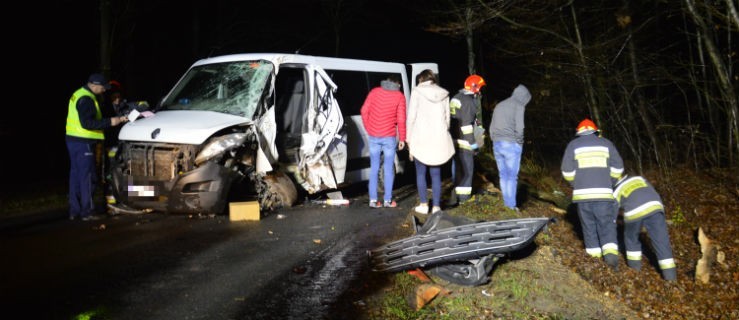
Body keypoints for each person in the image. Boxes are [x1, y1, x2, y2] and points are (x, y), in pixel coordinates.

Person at [561, 118, 624, 270]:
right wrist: (610, 181)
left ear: (579, 132)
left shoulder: (573, 145)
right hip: (603, 195)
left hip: (582, 197)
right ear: (595, 131)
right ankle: (611, 262)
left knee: (589, 228)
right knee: (606, 226)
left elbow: (567, 171)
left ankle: (594, 263)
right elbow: (618, 167)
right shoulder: (607, 144)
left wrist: (575, 184)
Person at [66, 73, 128, 221]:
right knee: (88, 178)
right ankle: (87, 211)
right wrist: (111, 121)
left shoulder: (80, 94)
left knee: (76, 177)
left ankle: (75, 211)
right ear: (94, 85)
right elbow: (87, 123)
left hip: (74, 142)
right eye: (103, 88)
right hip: (84, 142)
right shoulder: (86, 99)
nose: (105, 90)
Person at [406, 70, 455, 214]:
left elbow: (411, 118)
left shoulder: (417, 92)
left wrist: (409, 139)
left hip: (420, 139)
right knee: (436, 174)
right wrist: (441, 131)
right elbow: (447, 120)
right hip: (438, 139)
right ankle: (436, 207)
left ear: (421, 79)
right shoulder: (443, 94)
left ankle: (423, 204)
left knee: (420, 173)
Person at [613, 174, 677, 281]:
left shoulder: (615, 191)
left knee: (631, 239)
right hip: (656, 205)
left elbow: (611, 217)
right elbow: (649, 193)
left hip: (634, 211)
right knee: (662, 242)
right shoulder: (638, 178)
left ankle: (634, 271)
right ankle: (671, 278)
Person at [360, 75, 407, 208]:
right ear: (397, 84)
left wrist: (369, 128)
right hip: (389, 138)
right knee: (388, 168)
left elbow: (364, 111)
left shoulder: (374, 92)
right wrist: (402, 138)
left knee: (374, 168)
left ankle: (373, 200)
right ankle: (387, 200)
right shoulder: (399, 96)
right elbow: (401, 119)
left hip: (374, 136)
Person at [489, 84, 531, 210]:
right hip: (511, 144)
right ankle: (511, 206)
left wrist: (494, 139)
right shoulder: (518, 105)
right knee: (512, 177)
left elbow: (491, 127)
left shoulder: (500, 105)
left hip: (497, 144)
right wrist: (520, 143)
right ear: (523, 97)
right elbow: (520, 127)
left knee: (503, 175)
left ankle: (507, 204)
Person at [449, 74, 486, 205]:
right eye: (479, 88)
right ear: (474, 88)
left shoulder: (456, 97)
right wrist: (474, 145)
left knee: (458, 169)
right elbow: (466, 127)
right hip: (465, 141)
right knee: (467, 170)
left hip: (454, 139)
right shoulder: (468, 102)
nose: (480, 91)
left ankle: (457, 196)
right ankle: (464, 200)